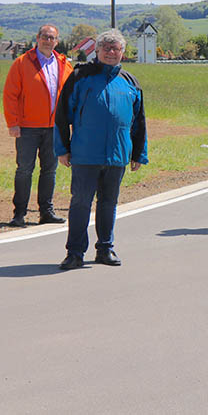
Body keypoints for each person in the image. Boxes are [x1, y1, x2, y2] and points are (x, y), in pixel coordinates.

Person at [54, 29, 148, 270]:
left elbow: (139, 122)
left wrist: (139, 153)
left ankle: (105, 248)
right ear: (96, 51)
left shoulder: (130, 82)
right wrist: (62, 149)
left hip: (117, 155)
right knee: (81, 203)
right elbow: (63, 115)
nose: (111, 52)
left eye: (115, 48)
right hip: (86, 155)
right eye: (106, 48)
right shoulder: (79, 76)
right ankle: (75, 252)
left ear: (123, 53)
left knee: (109, 203)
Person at [3, 25, 73, 227]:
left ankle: (46, 212)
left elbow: (70, 95)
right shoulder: (22, 62)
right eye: (45, 37)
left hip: (54, 128)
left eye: (52, 38)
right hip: (27, 127)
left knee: (50, 170)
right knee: (24, 170)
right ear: (37, 38)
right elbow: (10, 95)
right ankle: (20, 213)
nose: (48, 40)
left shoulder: (63, 64)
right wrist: (13, 123)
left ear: (57, 41)